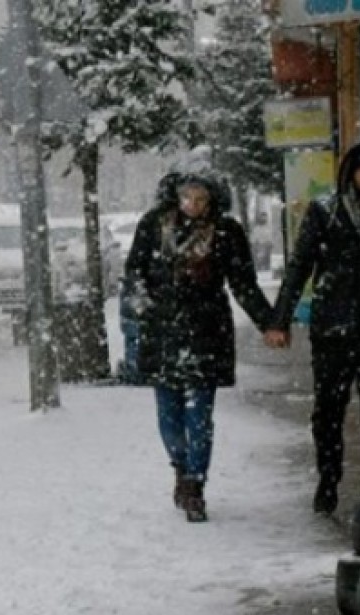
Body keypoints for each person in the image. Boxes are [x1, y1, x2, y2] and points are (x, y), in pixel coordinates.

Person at [124, 160, 278, 522]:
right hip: (162, 331)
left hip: (206, 331)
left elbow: (243, 284)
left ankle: (195, 483)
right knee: (168, 413)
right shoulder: (153, 225)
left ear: (212, 200)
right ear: (174, 196)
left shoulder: (226, 232)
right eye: (186, 196)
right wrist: (145, 308)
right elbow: (134, 274)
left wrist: (269, 322)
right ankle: (180, 466)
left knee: (199, 413)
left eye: (200, 197)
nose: (192, 203)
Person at [267, 137, 360, 516]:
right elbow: (299, 268)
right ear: (350, 173)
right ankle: (328, 478)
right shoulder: (325, 212)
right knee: (329, 410)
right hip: (334, 328)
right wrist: (280, 320)